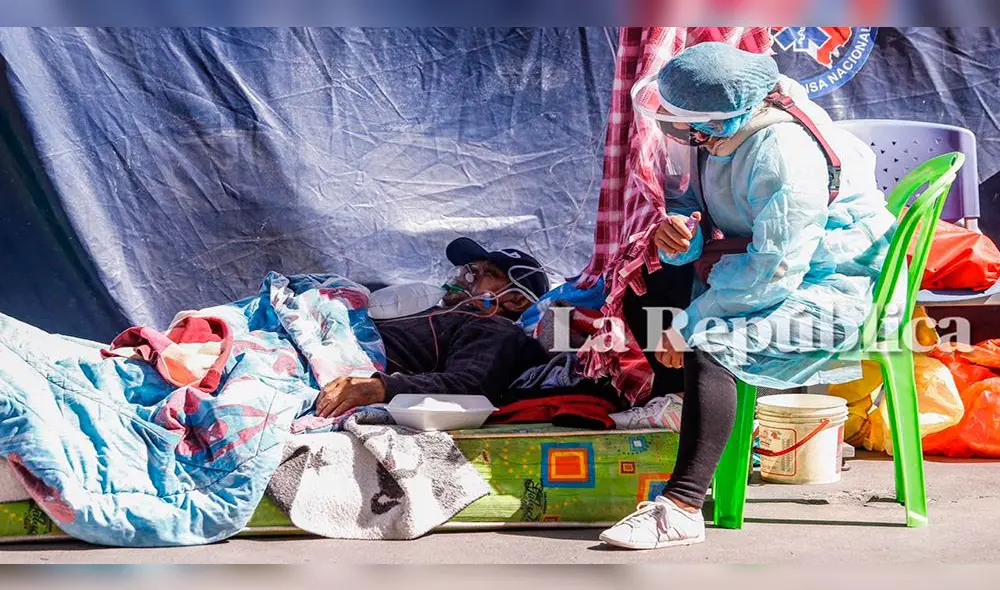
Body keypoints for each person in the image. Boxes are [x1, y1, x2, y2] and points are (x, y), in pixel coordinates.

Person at [599, 42, 901, 550]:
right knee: (648, 289)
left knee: (712, 343)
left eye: (683, 120)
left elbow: (776, 267)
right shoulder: (723, 129)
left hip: (835, 287)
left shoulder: (783, 152)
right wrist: (681, 232)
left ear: (719, 120)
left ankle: (681, 507)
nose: (675, 129)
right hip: (777, 268)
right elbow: (693, 203)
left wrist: (691, 323)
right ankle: (687, 407)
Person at [312, 237, 552, 418]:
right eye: (470, 267)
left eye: (486, 273)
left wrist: (377, 388)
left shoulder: (494, 327)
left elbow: (470, 386)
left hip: (329, 365)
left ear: (516, 301)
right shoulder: (435, 312)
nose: (465, 275)